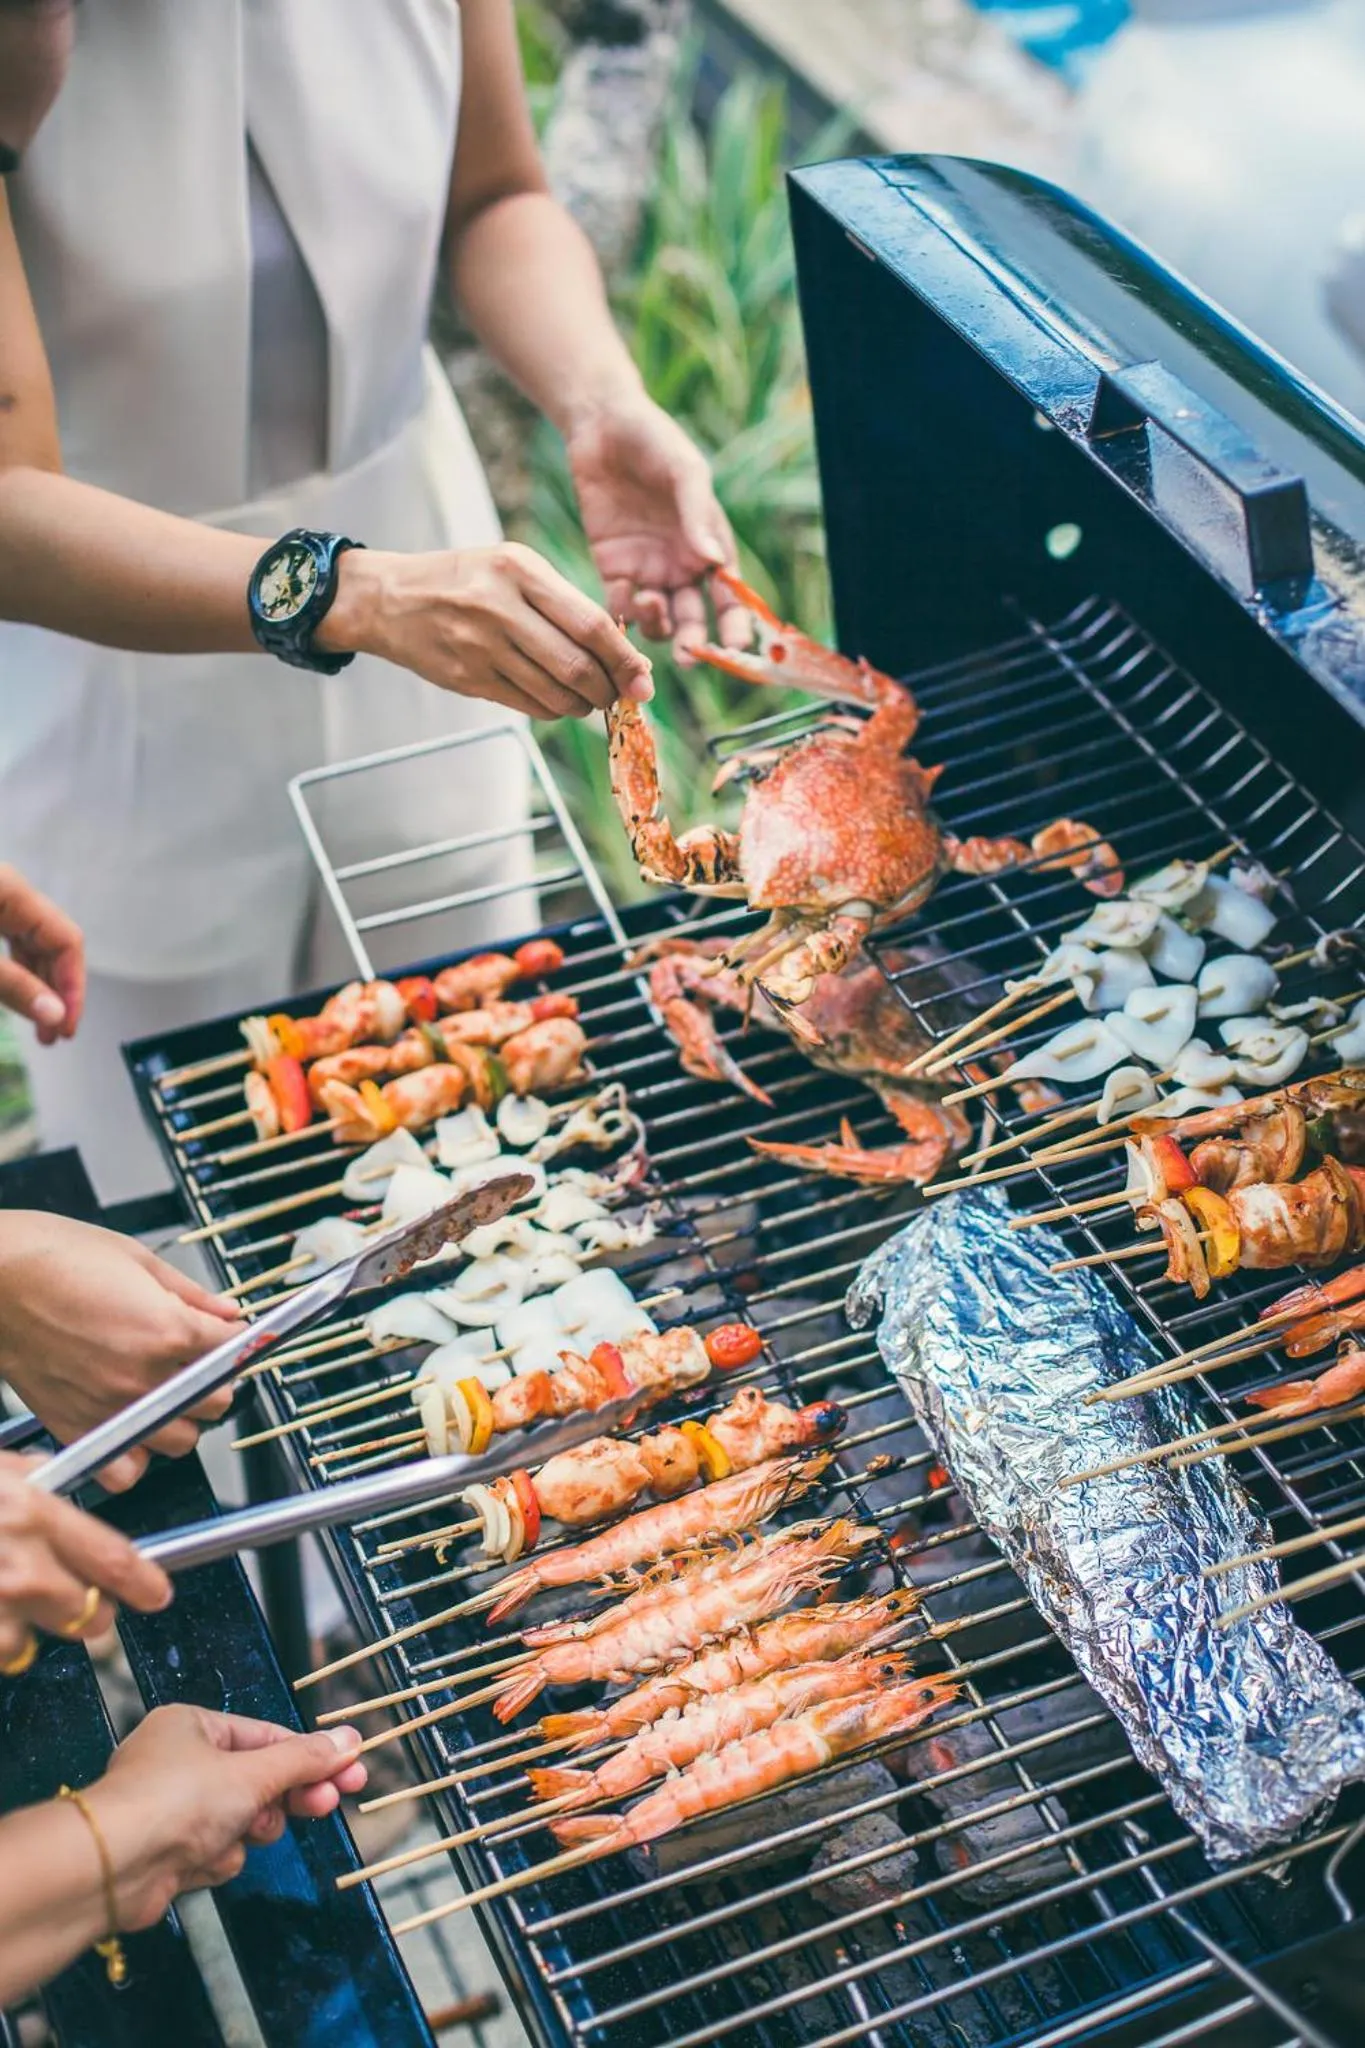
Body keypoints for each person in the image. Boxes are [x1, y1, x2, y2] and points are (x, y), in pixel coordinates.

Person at [0, 0, 748, 1203]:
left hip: (429, 604)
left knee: (500, 1141)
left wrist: (601, 400)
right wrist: (355, 593)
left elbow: (494, 197)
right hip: (123, 641)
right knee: (183, 1200)